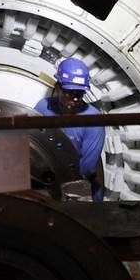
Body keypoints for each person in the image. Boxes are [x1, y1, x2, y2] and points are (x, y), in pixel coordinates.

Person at [35, 58, 106, 201]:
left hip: (78, 183)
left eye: (79, 94)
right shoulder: (43, 107)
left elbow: (86, 169)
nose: (75, 98)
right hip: (45, 176)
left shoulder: (93, 120)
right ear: (58, 87)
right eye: (69, 92)